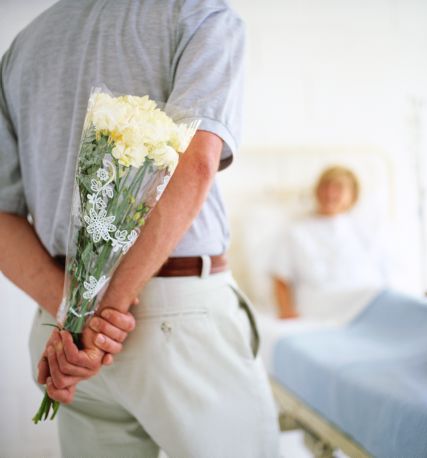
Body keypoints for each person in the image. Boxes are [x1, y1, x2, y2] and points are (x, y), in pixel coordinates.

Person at [0, 1, 280, 457]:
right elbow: (195, 162)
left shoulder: (24, 46)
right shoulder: (197, 13)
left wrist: (76, 317)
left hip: (63, 330)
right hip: (173, 320)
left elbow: (2, 215)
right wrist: (108, 314)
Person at [272, 165, 389, 322]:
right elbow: (281, 279)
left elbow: (384, 271)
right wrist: (286, 310)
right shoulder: (297, 232)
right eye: (325, 187)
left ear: (353, 196)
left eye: (338, 188)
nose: (329, 193)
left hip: (372, 299)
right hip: (324, 304)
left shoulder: (366, 230)